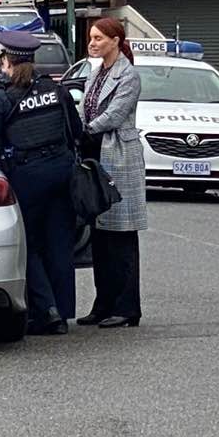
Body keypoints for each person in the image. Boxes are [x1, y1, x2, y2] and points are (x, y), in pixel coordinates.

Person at [0, 29, 84, 335]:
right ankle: (63, 312)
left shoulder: (2, 95)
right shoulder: (55, 89)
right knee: (60, 243)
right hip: (62, 173)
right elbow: (75, 130)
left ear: (6, 61)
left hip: (28, 177)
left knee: (28, 244)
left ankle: (46, 312)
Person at [76, 16, 146, 329]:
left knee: (122, 236)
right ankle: (103, 304)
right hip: (95, 154)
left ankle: (127, 307)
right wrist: (78, 128)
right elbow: (84, 108)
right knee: (100, 236)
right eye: (91, 38)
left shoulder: (128, 75)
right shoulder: (95, 72)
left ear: (115, 40)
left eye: (99, 38)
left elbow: (115, 114)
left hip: (119, 156)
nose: (92, 43)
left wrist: (86, 130)